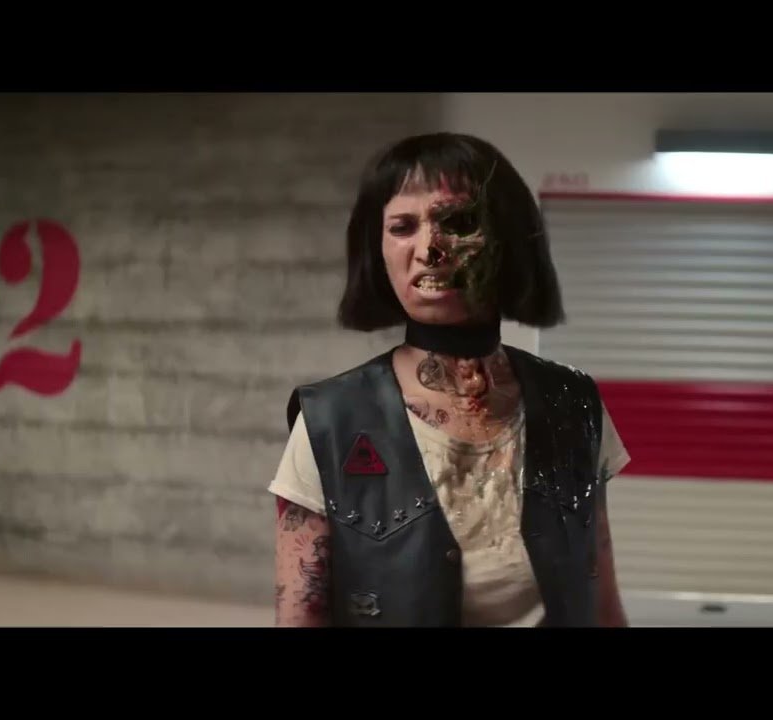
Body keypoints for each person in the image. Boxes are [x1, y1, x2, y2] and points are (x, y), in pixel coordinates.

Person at [267, 132, 631, 627]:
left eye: (457, 222)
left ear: (506, 237)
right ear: (378, 250)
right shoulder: (329, 421)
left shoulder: (574, 406)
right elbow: (299, 616)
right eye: (402, 227)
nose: (429, 248)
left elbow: (602, 601)